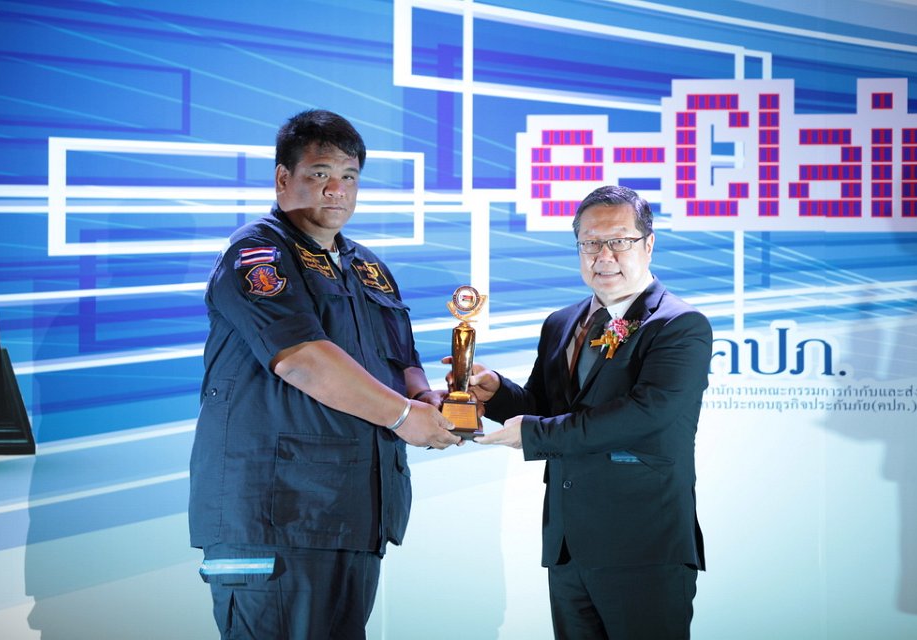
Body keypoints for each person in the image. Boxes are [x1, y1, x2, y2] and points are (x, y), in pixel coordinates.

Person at [188, 109, 462, 640]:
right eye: (319, 173)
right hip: (276, 516)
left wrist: (428, 398)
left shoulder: (369, 267)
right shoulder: (258, 254)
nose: (337, 189)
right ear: (282, 178)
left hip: (351, 513)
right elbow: (300, 358)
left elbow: (402, 362)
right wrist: (404, 416)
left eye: (349, 176)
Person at [469, 185, 712, 639]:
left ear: (648, 244)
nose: (603, 255)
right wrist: (496, 393)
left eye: (619, 240)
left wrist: (535, 434)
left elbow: (645, 414)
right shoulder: (562, 322)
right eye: (590, 243)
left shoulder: (679, 324)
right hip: (568, 546)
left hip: (644, 543)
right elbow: (544, 409)